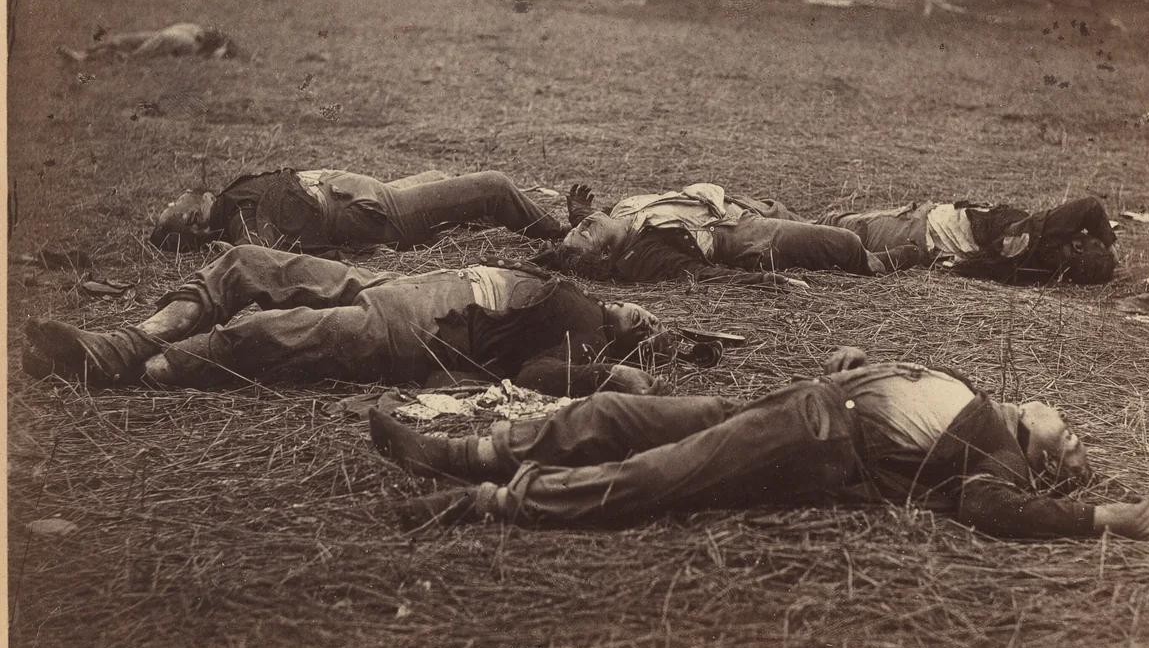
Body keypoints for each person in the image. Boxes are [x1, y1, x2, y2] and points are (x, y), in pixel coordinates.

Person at [369, 345, 1149, 541]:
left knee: (659, 473)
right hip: (799, 402)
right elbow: (904, 395)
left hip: (815, 438)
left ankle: (485, 501)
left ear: (1045, 456)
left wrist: (1094, 520)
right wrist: (862, 360)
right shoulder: (980, 397)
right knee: (617, 412)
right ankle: (468, 450)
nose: (1067, 416)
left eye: (1075, 436)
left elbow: (994, 508)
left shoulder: (1000, 453)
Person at [21, 245, 667, 396]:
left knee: (262, 337)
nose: (643, 317)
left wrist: (612, 376)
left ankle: (121, 371)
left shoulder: (586, 338)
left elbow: (536, 372)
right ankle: (124, 340)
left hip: (413, 334)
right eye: (645, 314)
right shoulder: (571, 286)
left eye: (643, 327)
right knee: (248, 263)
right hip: (400, 287)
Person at [536, 182, 920, 283]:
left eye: (580, 225)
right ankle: (892, 260)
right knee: (845, 243)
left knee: (835, 222)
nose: (583, 225)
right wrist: (764, 282)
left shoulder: (620, 211)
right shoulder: (644, 255)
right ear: (606, 255)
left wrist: (582, 214)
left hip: (739, 204)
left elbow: (593, 222)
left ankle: (874, 233)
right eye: (585, 232)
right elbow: (704, 276)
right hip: (743, 233)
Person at [150, 168, 565, 253]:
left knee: (437, 174)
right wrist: (227, 250)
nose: (177, 199)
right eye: (174, 209)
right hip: (375, 210)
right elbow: (257, 253)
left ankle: (491, 218)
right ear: (194, 220)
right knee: (494, 186)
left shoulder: (230, 200)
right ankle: (562, 236)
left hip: (369, 195)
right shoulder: (234, 213)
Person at [815, 196, 1117, 284]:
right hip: (920, 237)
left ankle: (771, 216)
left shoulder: (1034, 231)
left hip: (916, 228)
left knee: (830, 227)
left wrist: (1108, 243)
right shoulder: (1039, 269)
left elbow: (1089, 206)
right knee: (831, 232)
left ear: (1077, 244)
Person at [58, 22, 237, 63]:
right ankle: (84, 55)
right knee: (126, 47)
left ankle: (84, 56)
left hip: (178, 35)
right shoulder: (196, 35)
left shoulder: (197, 37)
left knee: (127, 48)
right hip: (179, 34)